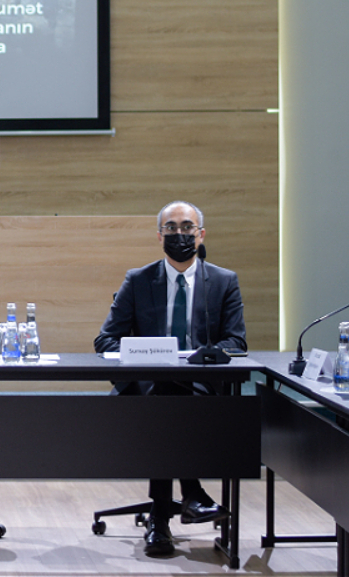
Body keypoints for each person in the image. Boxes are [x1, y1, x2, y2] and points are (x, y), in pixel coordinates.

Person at [94, 201, 247, 558]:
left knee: (171, 394)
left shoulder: (224, 282)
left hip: (201, 389)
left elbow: (236, 342)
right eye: (172, 228)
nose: (180, 234)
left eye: (187, 227)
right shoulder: (139, 280)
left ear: (201, 234)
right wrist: (146, 354)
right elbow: (106, 340)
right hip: (145, 388)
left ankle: (160, 516)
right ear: (160, 235)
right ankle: (190, 495)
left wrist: (198, 357)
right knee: (165, 389)